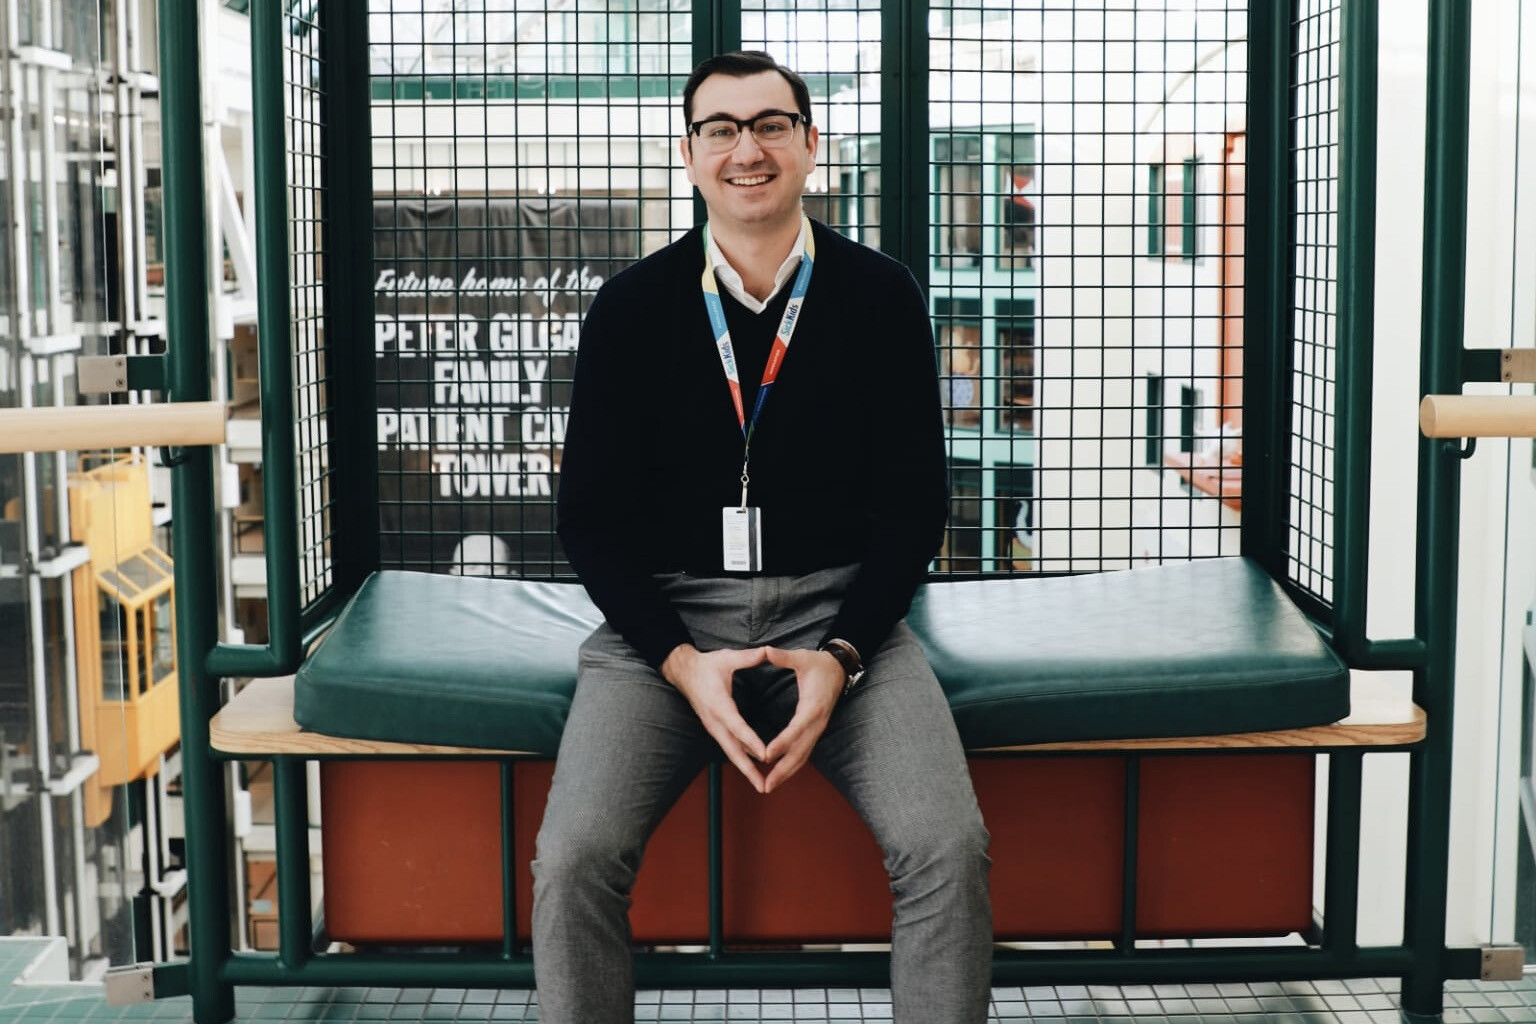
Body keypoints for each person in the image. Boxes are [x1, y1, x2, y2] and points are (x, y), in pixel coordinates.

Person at [534, 50, 992, 1024]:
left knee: (945, 846)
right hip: (669, 622)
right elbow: (588, 516)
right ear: (691, 155)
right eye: (722, 129)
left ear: (810, 145)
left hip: (836, 611)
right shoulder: (630, 306)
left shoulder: (880, 293)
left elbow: (916, 505)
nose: (748, 148)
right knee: (573, 857)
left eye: (771, 125)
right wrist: (677, 660)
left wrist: (841, 654)